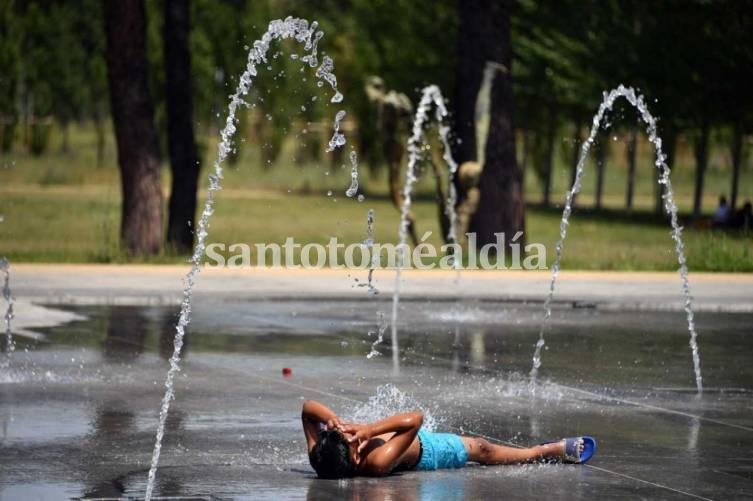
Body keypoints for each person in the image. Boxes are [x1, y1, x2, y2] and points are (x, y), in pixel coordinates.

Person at [302, 399, 596, 479]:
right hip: (429, 452)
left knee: (481, 446)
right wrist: (368, 431)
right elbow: (415, 420)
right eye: (352, 440)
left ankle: (538, 451)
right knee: (482, 448)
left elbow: (307, 410)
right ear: (355, 458)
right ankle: (541, 452)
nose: (353, 434)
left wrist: (334, 421)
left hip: (406, 438)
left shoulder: (321, 457)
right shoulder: (376, 462)